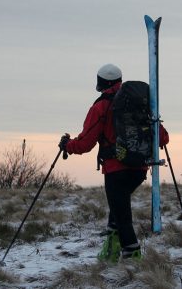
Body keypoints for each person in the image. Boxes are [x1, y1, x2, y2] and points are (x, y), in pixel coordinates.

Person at [59, 63, 169, 262]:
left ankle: (132, 258)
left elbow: (85, 143)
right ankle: (110, 250)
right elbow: (163, 138)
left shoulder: (100, 106)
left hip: (115, 169)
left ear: (100, 83)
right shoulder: (140, 103)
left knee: (122, 215)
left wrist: (68, 145)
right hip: (139, 168)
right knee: (118, 209)